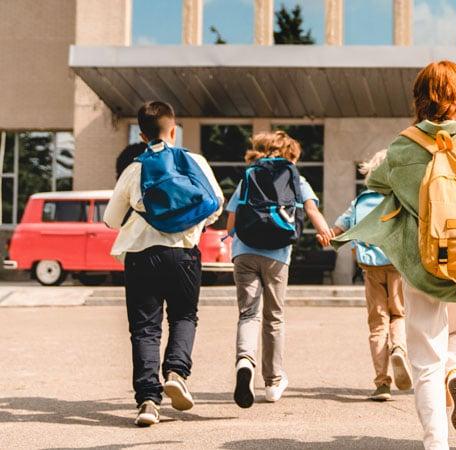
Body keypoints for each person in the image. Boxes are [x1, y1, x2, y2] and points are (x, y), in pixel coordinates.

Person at [334, 60, 456, 450]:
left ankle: (435, 442)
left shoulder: (403, 144)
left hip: (420, 259)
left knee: (425, 355)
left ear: (419, 97)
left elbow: (376, 179)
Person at [104, 101, 224, 427]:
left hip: (141, 255)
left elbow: (110, 220)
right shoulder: (193, 161)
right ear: (174, 130)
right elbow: (215, 203)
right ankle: (176, 372)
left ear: (142, 134)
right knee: (184, 315)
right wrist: (190, 225)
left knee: (145, 328)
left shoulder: (135, 168)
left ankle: (147, 402)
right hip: (185, 253)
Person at [226, 130, 334, 408]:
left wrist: (234, 242)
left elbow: (231, 221)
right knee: (273, 317)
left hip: (244, 252)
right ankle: (273, 382)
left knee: (248, 314)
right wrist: (325, 234)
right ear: (291, 156)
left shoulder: (249, 175)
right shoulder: (297, 178)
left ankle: (244, 362)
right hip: (277, 256)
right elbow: (311, 211)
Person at [332, 149, 413, 402]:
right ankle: (398, 347)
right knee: (398, 314)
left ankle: (382, 383)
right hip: (397, 264)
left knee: (377, 323)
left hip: (370, 268)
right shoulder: (399, 198)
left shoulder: (360, 201)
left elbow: (338, 228)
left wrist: (327, 235)